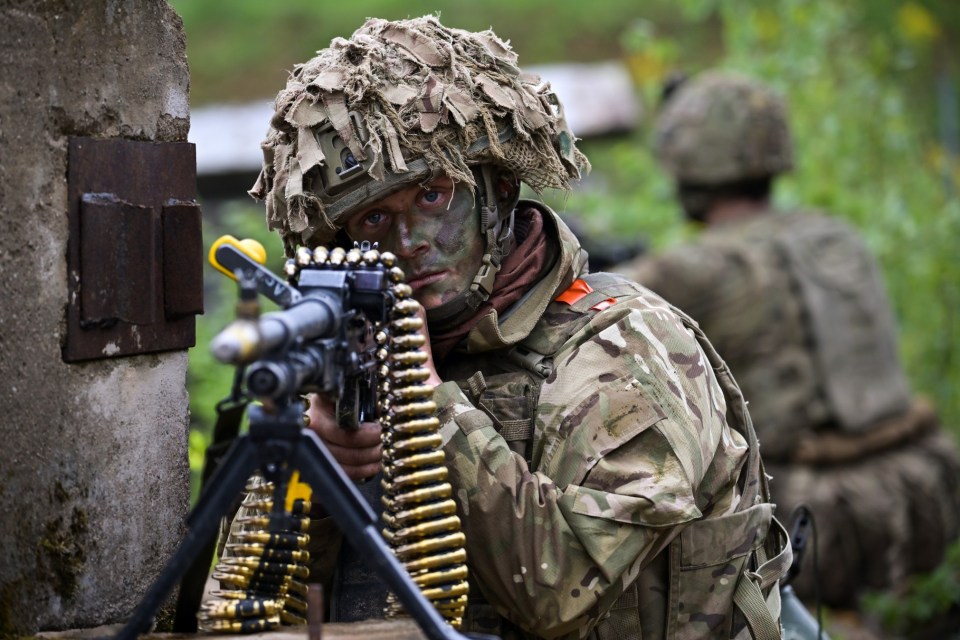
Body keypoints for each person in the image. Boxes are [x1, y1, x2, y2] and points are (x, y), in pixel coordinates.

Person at [246, 19, 791, 639]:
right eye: (373, 218)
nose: (409, 243)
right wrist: (313, 470)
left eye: (432, 197)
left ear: (498, 189)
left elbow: (565, 596)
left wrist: (428, 408)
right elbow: (250, 605)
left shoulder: (621, 347)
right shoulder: (346, 363)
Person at [616, 70, 960, 610]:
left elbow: (591, 305)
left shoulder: (694, 268)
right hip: (918, 487)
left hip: (809, 518)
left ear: (689, 165)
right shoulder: (833, 234)